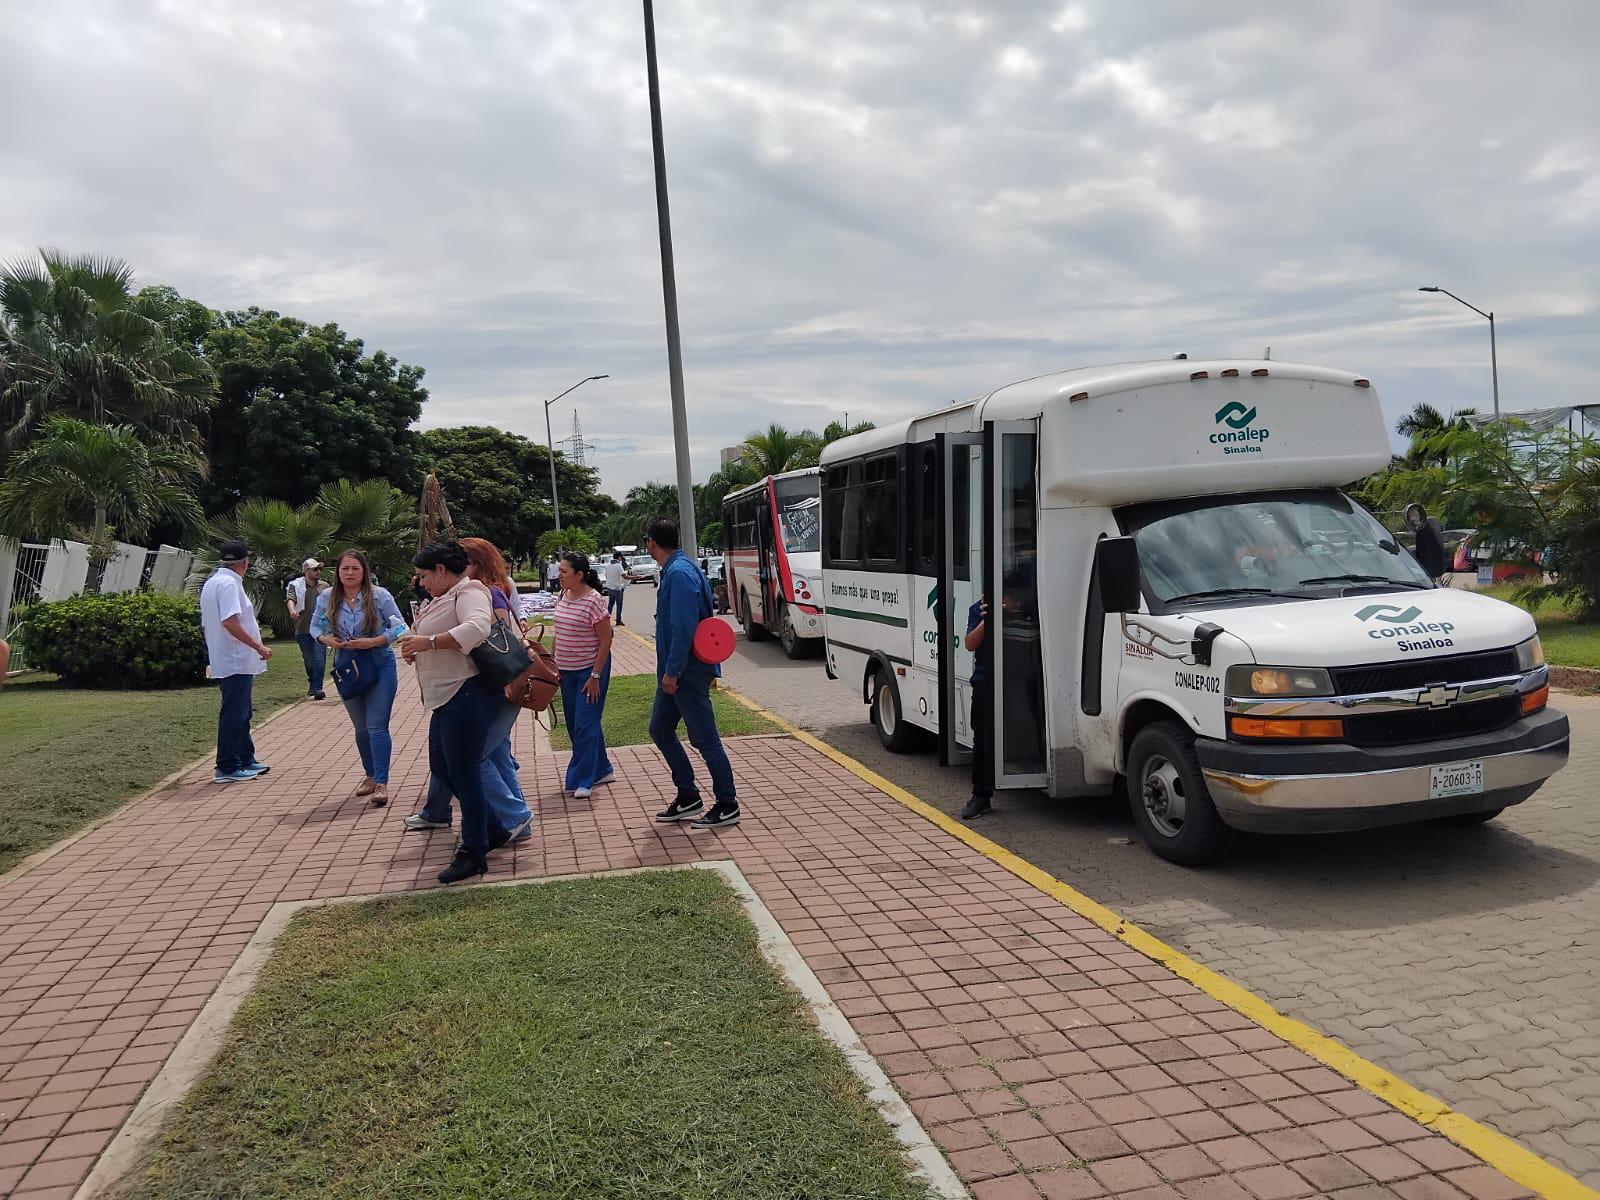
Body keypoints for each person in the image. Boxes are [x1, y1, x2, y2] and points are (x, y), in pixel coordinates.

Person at [403, 536, 533, 841]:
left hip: (477, 690)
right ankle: (504, 823)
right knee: (477, 759)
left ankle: (504, 823)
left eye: (423, 576)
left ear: (443, 569)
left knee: (471, 762)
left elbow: (481, 630)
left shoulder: (472, 591)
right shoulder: (448, 596)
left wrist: (429, 642)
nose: (421, 583)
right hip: (462, 692)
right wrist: (418, 647)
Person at [647, 518, 740, 829]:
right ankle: (688, 796)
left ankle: (727, 803)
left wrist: (672, 671)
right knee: (660, 729)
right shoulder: (674, 570)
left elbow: (684, 628)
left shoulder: (680, 573)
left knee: (705, 739)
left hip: (686, 672)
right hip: (673, 673)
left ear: (651, 543)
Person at [313, 549, 405, 807]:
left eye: (355, 568)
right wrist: (325, 639)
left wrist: (375, 640)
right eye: (345, 569)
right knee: (361, 727)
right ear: (338, 572)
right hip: (346, 665)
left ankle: (382, 783)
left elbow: (399, 626)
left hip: (378, 663)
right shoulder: (327, 598)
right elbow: (315, 626)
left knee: (377, 726)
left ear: (364, 571)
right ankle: (369, 774)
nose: (350, 573)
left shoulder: (379, 596)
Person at [199, 540, 272, 784]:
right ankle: (227, 766)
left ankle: (245, 757)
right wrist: (258, 646)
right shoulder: (229, 584)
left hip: (227, 657)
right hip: (235, 658)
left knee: (242, 711)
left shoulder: (213, 582)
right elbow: (230, 621)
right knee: (234, 712)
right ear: (245, 563)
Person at [553, 551, 616, 799]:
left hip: (590, 671)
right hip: (566, 670)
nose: (559, 576)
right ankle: (602, 768)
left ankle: (582, 779)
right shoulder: (562, 595)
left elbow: (605, 640)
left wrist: (596, 675)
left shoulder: (594, 601)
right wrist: (553, 661)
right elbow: (559, 631)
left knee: (585, 724)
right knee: (575, 723)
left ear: (579, 575)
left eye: (564, 572)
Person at [961, 596, 993, 820]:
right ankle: (980, 796)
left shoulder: (1027, 602)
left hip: (1019, 679)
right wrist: (987, 621)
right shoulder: (978, 609)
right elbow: (970, 643)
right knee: (981, 738)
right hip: (985, 681)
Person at [285, 557, 330, 700]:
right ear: (306, 571)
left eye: (319, 569)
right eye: (315, 569)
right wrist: (292, 611)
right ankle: (313, 683)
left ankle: (317, 688)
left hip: (321, 629)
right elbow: (290, 598)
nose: (318, 572)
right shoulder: (296, 585)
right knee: (309, 660)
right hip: (303, 628)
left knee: (319, 657)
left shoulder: (324, 586)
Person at [603, 551, 627, 626]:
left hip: (610, 587)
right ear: (619, 557)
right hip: (617, 588)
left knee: (611, 604)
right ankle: (618, 620)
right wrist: (636, 577)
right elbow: (624, 576)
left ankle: (606, 619)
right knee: (619, 604)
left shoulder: (608, 566)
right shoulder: (618, 566)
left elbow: (606, 576)